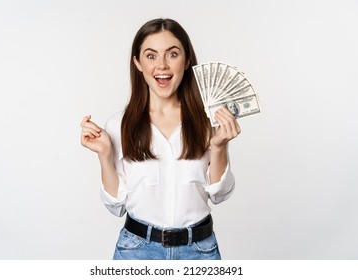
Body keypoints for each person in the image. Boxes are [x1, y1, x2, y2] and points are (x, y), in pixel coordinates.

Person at [80, 18, 241, 260]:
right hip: (137, 251)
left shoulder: (208, 122)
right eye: (151, 55)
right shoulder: (118, 125)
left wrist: (219, 147)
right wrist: (104, 154)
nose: (162, 65)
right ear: (138, 63)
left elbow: (220, 195)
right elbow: (116, 205)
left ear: (187, 60)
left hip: (199, 251)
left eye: (172, 54)